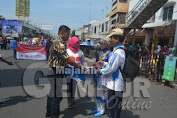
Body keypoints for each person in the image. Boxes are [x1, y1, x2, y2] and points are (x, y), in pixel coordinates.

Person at [46, 25, 85, 118]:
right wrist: (79, 65)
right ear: (62, 33)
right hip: (56, 71)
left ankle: (49, 112)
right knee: (57, 96)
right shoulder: (60, 44)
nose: (68, 36)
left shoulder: (57, 42)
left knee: (52, 93)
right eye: (67, 34)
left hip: (54, 70)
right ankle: (54, 115)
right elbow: (67, 59)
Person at [97, 28, 125, 118]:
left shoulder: (118, 52)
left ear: (117, 39)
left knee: (115, 108)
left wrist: (101, 71)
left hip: (116, 85)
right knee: (113, 107)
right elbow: (112, 65)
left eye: (112, 38)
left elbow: (112, 68)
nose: (111, 40)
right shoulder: (116, 51)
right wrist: (104, 63)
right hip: (113, 84)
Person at [91, 38, 112, 117]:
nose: (100, 45)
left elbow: (110, 65)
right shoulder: (100, 52)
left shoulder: (109, 54)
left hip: (103, 75)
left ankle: (102, 110)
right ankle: (98, 108)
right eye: (100, 43)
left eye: (102, 43)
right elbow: (97, 62)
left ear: (106, 44)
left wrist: (102, 68)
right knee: (97, 92)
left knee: (101, 93)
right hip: (97, 74)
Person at [66, 36, 88, 108]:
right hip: (69, 72)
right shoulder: (67, 51)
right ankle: (70, 101)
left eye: (78, 43)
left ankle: (72, 99)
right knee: (69, 86)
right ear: (72, 43)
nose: (77, 44)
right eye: (76, 43)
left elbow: (83, 61)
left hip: (77, 72)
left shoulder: (80, 52)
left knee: (73, 86)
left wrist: (85, 65)